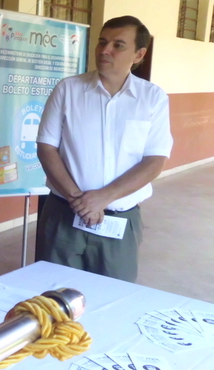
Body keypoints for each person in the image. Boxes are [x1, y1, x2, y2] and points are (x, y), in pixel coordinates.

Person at [35, 15, 173, 282]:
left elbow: (155, 160)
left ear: (139, 54)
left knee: (114, 296)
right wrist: (80, 200)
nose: (105, 50)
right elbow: (46, 148)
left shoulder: (153, 98)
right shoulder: (68, 89)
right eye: (102, 42)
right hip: (64, 215)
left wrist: (102, 198)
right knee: (54, 294)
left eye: (118, 45)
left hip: (119, 222)